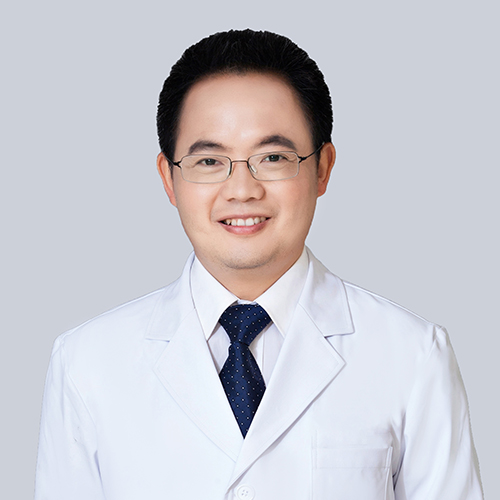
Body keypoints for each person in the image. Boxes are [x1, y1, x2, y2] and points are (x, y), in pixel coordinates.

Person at [35, 29, 483, 500]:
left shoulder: (412, 356)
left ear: (323, 168)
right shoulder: (87, 364)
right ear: (169, 179)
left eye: (272, 157)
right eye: (210, 161)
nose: (242, 190)